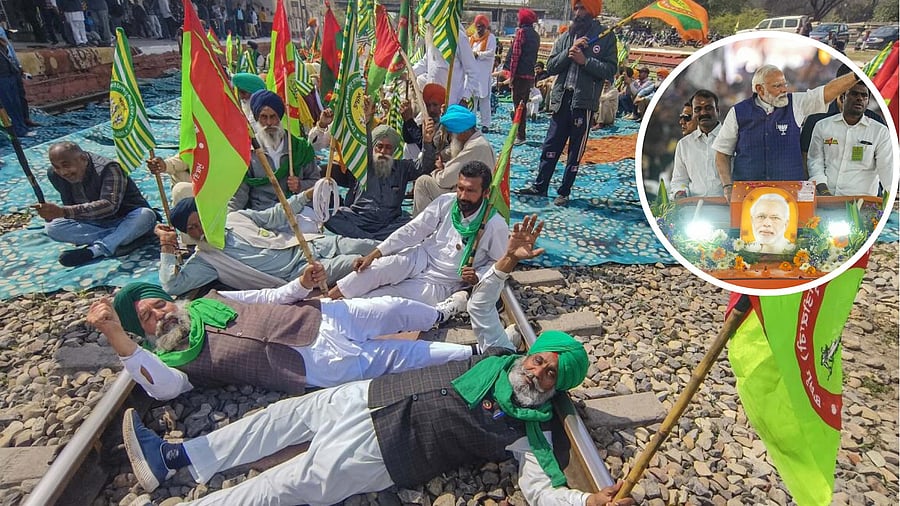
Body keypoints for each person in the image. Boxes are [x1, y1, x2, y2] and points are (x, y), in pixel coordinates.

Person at [120, 215, 636, 506]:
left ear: (553, 389)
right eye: (543, 361)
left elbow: (542, 488)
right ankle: (180, 458)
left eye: (551, 376)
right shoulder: (504, 356)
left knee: (291, 483)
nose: (540, 372)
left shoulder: (533, 429)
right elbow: (482, 303)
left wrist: (586, 503)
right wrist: (507, 261)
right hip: (366, 397)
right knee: (277, 419)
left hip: (390, 448)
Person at [87, 262, 474, 401]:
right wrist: (114, 335)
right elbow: (163, 390)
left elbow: (272, 295)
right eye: (149, 318)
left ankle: (440, 315)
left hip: (324, 315)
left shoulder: (211, 298)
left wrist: (303, 284)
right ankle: (475, 357)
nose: (161, 315)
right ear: (144, 333)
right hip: (312, 363)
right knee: (402, 359)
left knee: (395, 308)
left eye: (160, 304)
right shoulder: (173, 363)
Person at [328, 161, 508, 306]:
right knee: (374, 269)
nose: (462, 196)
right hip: (420, 257)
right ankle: (326, 301)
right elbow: (414, 229)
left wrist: (478, 276)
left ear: (485, 193)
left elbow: (498, 264)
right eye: (460, 188)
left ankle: (341, 311)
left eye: (470, 191)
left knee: (387, 300)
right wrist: (374, 254)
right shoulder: (447, 202)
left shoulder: (494, 224)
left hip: (443, 281)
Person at [156, 193, 377, 296]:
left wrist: (305, 196)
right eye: (191, 229)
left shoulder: (236, 218)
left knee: (371, 246)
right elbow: (172, 286)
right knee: (358, 263)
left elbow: (275, 216)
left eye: (199, 223)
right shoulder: (206, 259)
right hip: (302, 272)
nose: (199, 231)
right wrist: (166, 248)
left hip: (311, 245)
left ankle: (411, 252)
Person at [516, 0, 617, 207]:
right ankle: (540, 186)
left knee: (574, 151)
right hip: (561, 100)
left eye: (583, 8)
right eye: (576, 8)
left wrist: (585, 61)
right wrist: (568, 53)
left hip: (583, 102)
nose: (578, 13)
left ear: (592, 11)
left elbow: (610, 70)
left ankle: (564, 191)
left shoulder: (606, 37)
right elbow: (551, 66)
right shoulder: (566, 37)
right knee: (550, 145)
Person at [711, 64, 860, 200]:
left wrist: (856, 75)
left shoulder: (796, 104)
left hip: (791, 194)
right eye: (777, 86)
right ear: (759, 89)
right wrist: (728, 187)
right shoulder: (738, 112)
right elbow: (722, 153)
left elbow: (825, 92)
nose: (784, 90)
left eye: (784, 84)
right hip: (748, 195)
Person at [32, 142, 158, 267]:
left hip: (125, 217)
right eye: (57, 167)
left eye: (66, 165)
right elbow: (69, 205)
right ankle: (125, 238)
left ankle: (95, 251)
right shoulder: (54, 174)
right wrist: (51, 213)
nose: (63, 172)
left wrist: (63, 212)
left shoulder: (109, 168)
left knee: (145, 215)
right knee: (52, 227)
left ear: (83, 159)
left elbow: (109, 206)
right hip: (95, 224)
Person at [325, 125, 430, 240]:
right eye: (379, 146)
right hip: (359, 220)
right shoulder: (364, 163)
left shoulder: (402, 168)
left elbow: (424, 166)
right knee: (328, 216)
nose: (383, 151)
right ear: (373, 147)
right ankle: (377, 241)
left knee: (415, 225)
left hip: (389, 223)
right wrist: (366, 120)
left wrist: (427, 142)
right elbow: (361, 143)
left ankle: (366, 240)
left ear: (393, 150)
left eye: (388, 147)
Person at [807, 82, 893, 197]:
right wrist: (824, 191)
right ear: (842, 97)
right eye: (854, 94)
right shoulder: (823, 126)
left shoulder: (879, 132)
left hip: (863, 205)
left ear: (868, 102)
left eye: (864, 96)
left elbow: (887, 170)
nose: (859, 98)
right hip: (826, 199)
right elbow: (815, 162)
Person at [413, 105, 496, 214]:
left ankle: (423, 228)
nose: (452, 137)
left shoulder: (475, 147)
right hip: (472, 193)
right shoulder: (476, 140)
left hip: (470, 199)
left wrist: (439, 169)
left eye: (452, 134)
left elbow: (444, 180)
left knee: (423, 183)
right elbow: (448, 152)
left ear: (461, 132)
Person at [670, 90, 723, 199]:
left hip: (727, 207)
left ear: (717, 110)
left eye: (708, 108)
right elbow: (679, 180)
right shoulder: (684, 145)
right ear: (694, 113)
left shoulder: (733, 138)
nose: (703, 113)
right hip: (694, 209)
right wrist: (680, 192)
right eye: (698, 109)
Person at [502, 8, 540, 143]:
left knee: (518, 106)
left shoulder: (521, 33)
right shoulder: (536, 35)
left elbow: (515, 57)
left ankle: (519, 135)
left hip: (519, 76)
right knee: (523, 105)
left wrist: (511, 76)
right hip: (529, 75)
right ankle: (520, 133)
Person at [400, 82, 446, 158]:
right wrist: (406, 119)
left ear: (442, 106)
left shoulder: (445, 124)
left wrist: (409, 120)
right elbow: (409, 139)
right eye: (428, 105)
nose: (431, 109)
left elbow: (428, 146)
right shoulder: (426, 120)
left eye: (435, 105)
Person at [468, 15, 497, 133]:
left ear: (486, 27)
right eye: (478, 26)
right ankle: (472, 123)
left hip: (484, 74)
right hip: (472, 74)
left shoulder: (491, 38)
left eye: (482, 27)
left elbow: (491, 53)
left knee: (484, 99)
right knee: (472, 100)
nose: (479, 29)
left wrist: (478, 54)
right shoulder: (472, 39)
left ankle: (486, 124)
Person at [0, 35, 30, 138]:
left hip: (10, 75)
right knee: (9, 106)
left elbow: (9, 56)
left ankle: (21, 127)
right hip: (3, 78)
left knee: (16, 104)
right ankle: (18, 130)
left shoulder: (2, 42)